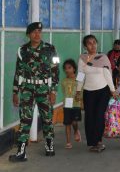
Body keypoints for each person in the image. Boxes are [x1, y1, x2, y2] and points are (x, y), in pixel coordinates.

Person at [9, 22, 59, 162]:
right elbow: (18, 72)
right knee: (25, 119)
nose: (37, 34)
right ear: (28, 34)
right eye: (34, 32)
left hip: (44, 89)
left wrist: (53, 91)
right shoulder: (22, 50)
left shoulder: (50, 48)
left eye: (39, 31)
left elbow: (55, 71)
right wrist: (15, 92)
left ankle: (49, 145)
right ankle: (21, 151)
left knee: (47, 117)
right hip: (27, 89)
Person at [75, 35, 115, 152]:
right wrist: (78, 90)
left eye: (94, 42)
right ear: (85, 46)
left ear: (97, 43)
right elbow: (81, 75)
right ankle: (92, 142)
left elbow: (108, 75)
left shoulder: (103, 58)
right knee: (89, 117)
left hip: (103, 91)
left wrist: (112, 90)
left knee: (98, 116)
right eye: (89, 43)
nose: (92, 45)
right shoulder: (82, 59)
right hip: (88, 92)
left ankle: (99, 141)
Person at [62, 59, 82, 149]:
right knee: (67, 123)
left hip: (76, 103)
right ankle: (68, 142)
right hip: (67, 104)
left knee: (74, 122)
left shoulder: (79, 78)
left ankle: (76, 130)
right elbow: (64, 92)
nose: (67, 70)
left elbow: (81, 90)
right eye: (65, 68)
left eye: (69, 68)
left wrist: (80, 99)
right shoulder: (64, 81)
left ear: (74, 69)